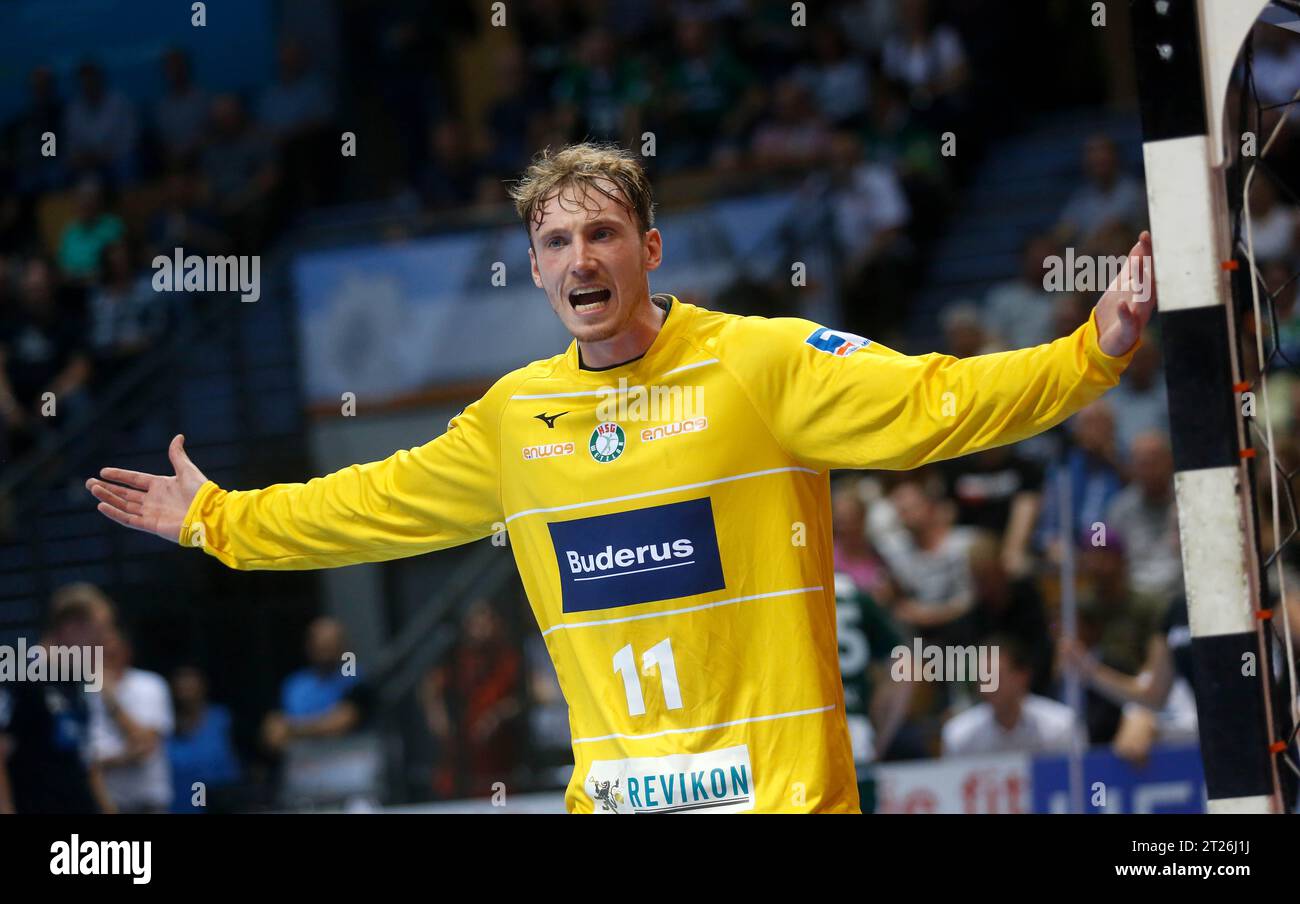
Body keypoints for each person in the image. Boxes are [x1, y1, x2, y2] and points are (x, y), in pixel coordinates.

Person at [86, 142, 1156, 813]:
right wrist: (219, 519)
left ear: (649, 248)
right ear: (538, 269)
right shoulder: (513, 417)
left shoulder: (759, 360)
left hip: (780, 799)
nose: (580, 256)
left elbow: (936, 404)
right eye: (556, 240)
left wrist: (1090, 350)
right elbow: (366, 505)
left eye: (602, 232)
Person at [941, 634, 1084, 758]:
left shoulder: (1061, 726)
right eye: (981, 677)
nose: (986, 686)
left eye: (995, 677)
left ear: (1022, 676)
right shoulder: (959, 735)